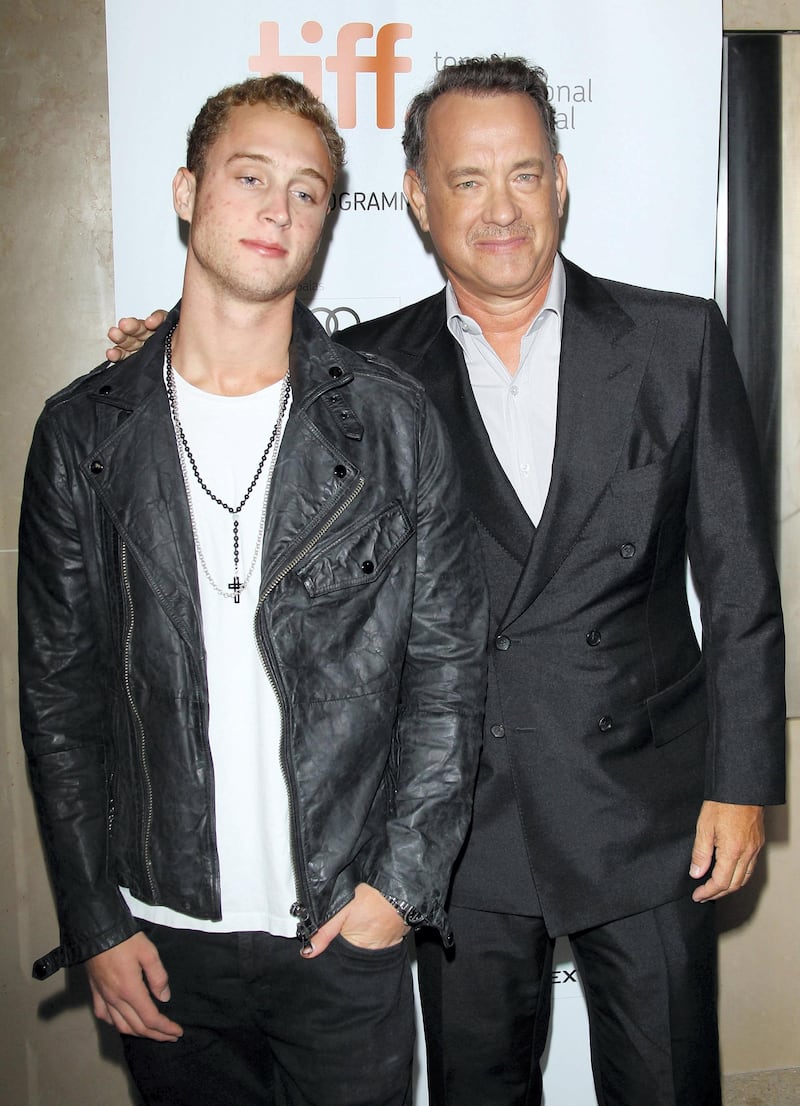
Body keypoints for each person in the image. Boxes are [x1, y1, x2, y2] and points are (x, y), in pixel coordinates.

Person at [107, 57, 786, 1106]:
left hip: (644, 813)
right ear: (418, 199)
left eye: (523, 173)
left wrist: (741, 784)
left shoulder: (675, 339)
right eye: (466, 180)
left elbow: (738, 581)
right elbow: (227, 356)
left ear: (560, 181)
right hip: (459, 828)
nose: (501, 208)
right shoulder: (358, 372)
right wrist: (157, 345)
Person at [18, 75, 488, 1106]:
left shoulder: (391, 423)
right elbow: (59, 696)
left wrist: (393, 893)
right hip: (160, 933)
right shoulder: (83, 433)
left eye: (308, 191)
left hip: (339, 927)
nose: (279, 209)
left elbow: (446, 669)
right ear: (187, 192)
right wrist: (95, 916)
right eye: (249, 176)